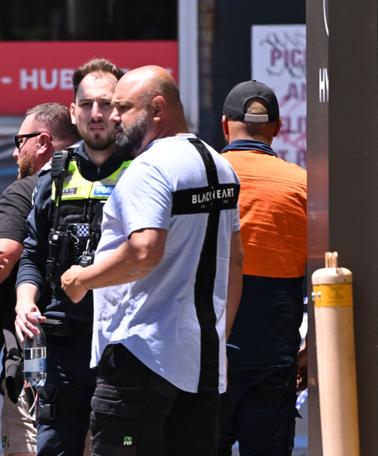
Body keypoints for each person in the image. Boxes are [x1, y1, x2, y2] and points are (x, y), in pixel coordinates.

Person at [59, 65, 244, 455]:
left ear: (157, 109)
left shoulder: (150, 168)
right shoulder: (219, 166)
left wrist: (82, 279)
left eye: (123, 108)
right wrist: (214, 334)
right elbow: (236, 263)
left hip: (140, 355)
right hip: (199, 360)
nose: (112, 117)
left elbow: (144, 251)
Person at [13, 58, 130, 456]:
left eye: (106, 103)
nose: (96, 113)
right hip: (62, 349)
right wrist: (24, 301)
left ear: (121, 109)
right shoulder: (53, 177)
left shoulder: (144, 172)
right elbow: (32, 252)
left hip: (124, 348)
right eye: (87, 104)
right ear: (73, 109)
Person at [0, 102, 80, 456]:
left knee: (31, 440)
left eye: (20, 140)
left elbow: (3, 255)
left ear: (43, 141)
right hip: (95, 354)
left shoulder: (27, 189)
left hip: (38, 353)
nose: (16, 151)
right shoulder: (103, 182)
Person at [217, 80, 307, 456]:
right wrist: (310, 346)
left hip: (210, 359)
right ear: (278, 128)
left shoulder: (205, 178)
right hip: (275, 357)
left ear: (225, 125)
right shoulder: (303, 185)